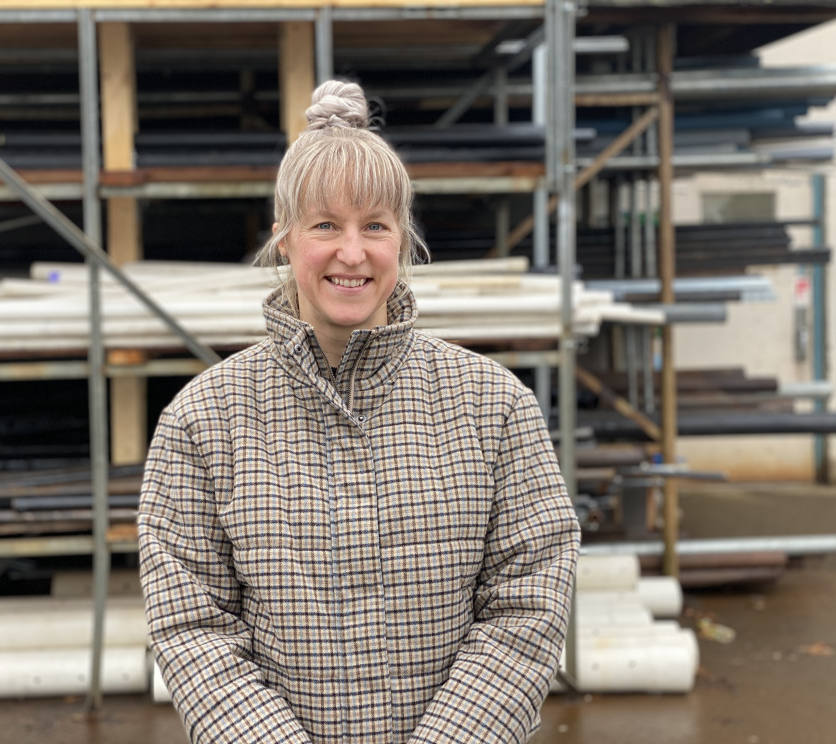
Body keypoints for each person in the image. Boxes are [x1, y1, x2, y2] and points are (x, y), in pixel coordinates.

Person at [138, 80, 580, 744]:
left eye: (374, 225)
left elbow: (530, 601)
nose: (353, 252)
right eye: (325, 226)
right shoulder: (205, 421)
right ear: (286, 240)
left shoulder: (494, 406)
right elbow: (191, 622)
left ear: (402, 239)